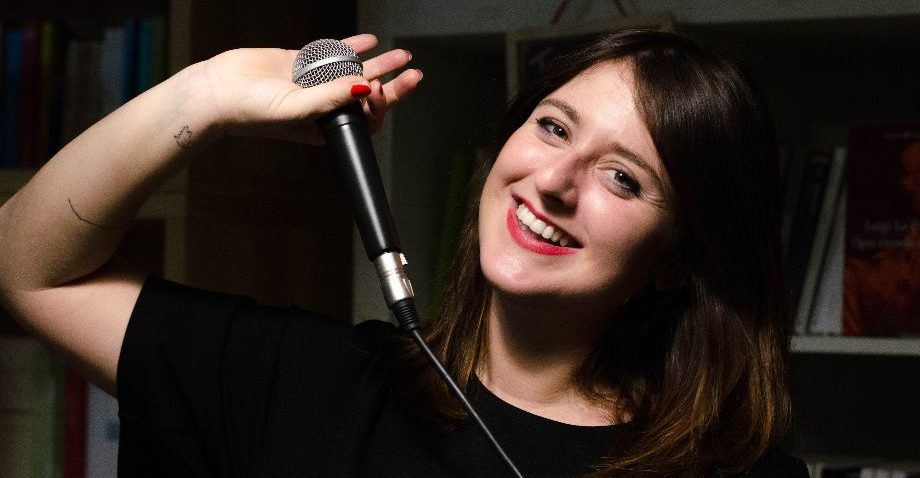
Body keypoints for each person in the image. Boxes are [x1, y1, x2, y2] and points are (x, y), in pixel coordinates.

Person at [0, 30, 808, 477]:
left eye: (623, 178)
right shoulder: (307, 384)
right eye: (553, 127)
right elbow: (26, 267)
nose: (554, 180)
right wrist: (207, 93)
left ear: (676, 259)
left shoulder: (739, 476)